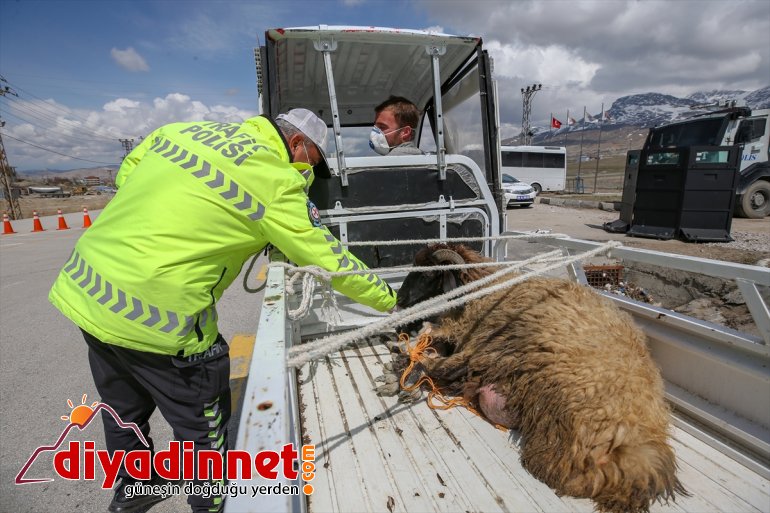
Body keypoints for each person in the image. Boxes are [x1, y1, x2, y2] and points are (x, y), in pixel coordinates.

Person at [48, 108, 396, 513]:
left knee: (123, 408)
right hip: (158, 318)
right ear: (297, 143)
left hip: (89, 291)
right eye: (311, 163)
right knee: (203, 425)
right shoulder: (275, 180)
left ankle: (133, 488)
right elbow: (330, 260)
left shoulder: (181, 131)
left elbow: (130, 170)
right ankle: (210, 505)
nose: (308, 174)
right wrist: (393, 300)